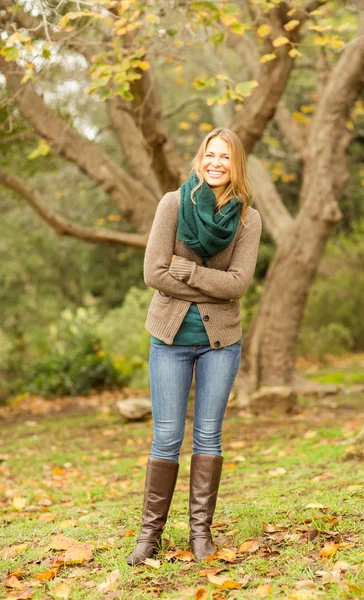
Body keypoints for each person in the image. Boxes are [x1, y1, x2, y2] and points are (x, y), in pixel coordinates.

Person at [126, 127, 262, 566]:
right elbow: (153, 272)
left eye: (225, 157)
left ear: (235, 164)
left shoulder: (247, 220)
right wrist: (211, 286)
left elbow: (239, 284)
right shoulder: (173, 203)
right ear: (200, 158)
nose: (216, 162)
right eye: (210, 154)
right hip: (169, 339)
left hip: (221, 342)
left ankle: (200, 535)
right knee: (166, 437)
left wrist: (187, 272)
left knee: (208, 434)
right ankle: (150, 537)